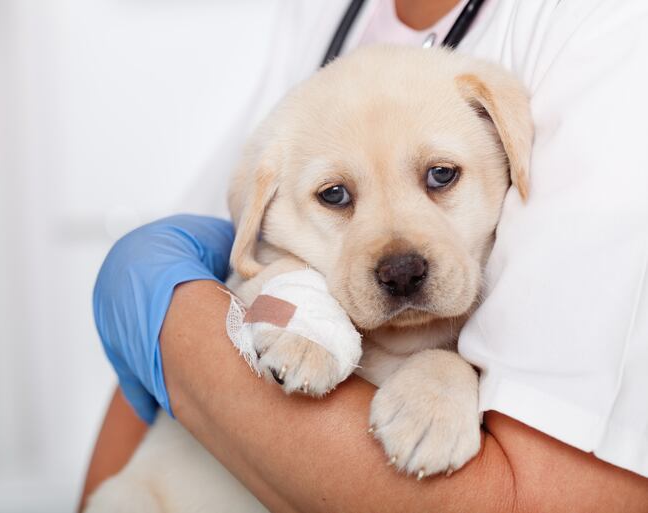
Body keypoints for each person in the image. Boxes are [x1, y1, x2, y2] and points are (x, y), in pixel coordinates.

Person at [81, 0, 648, 511]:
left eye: (440, 176)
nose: (398, 260)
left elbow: (536, 491)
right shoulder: (314, 19)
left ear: (509, 141)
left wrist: (444, 374)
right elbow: (223, 287)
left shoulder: (602, 30)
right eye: (335, 196)